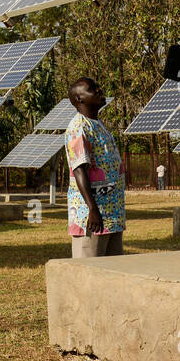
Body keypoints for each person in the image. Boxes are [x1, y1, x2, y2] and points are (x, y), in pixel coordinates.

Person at [63, 77, 125, 257]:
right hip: (92, 218)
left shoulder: (97, 125)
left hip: (111, 215)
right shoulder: (79, 127)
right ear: (79, 99)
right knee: (89, 271)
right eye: (92, 89)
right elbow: (79, 168)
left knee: (113, 274)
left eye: (97, 86)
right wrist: (92, 209)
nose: (98, 90)